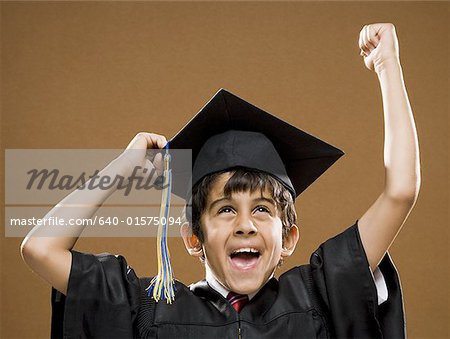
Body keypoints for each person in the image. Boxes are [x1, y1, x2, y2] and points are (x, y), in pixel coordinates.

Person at [20, 22, 420, 338]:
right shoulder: (151, 311)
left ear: (289, 239)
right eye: (225, 209)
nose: (245, 224)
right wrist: (119, 168)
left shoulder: (320, 294)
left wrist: (388, 67)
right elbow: (40, 249)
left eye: (262, 210)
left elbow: (400, 192)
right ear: (193, 238)